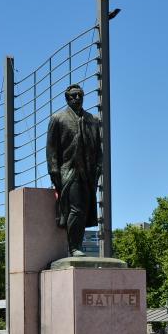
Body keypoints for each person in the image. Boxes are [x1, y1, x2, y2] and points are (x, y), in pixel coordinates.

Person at [45, 84, 103, 257]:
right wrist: (54, 171)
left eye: (80, 95)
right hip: (69, 172)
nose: (77, 98)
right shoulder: (58, 118)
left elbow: (99, 149)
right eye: (74, 96)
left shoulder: (92, 120)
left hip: (88, 173)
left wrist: (99, 167)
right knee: (76, 210)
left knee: (83, 211)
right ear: (67, 98)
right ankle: (74, 248)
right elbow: (51, 149)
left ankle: (76, 245)